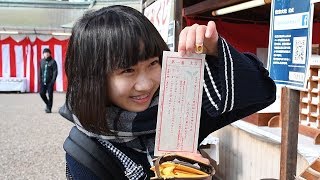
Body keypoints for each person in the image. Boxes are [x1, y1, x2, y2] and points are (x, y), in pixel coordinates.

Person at [62, 5, 276, 180]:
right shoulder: (85, 151)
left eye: (153, 63)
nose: (145, 85)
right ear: (93, 78)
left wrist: (215, 51)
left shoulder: (177, 111)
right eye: (128, 70)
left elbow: (262, 92)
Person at [39, 48, 57, 113]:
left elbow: (55, 72)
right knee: (41, 93)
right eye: (44, 53)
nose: (46, 54)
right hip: (43, 81)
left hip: (50, 82)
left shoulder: (53, 62)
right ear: (43, 54)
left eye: (47, 53)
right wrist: (40, 80)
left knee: (50, 95)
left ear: (50, 53)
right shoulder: (41, 61)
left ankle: (49, 108)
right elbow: (40, 71)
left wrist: (53, 81)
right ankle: (48, 104)